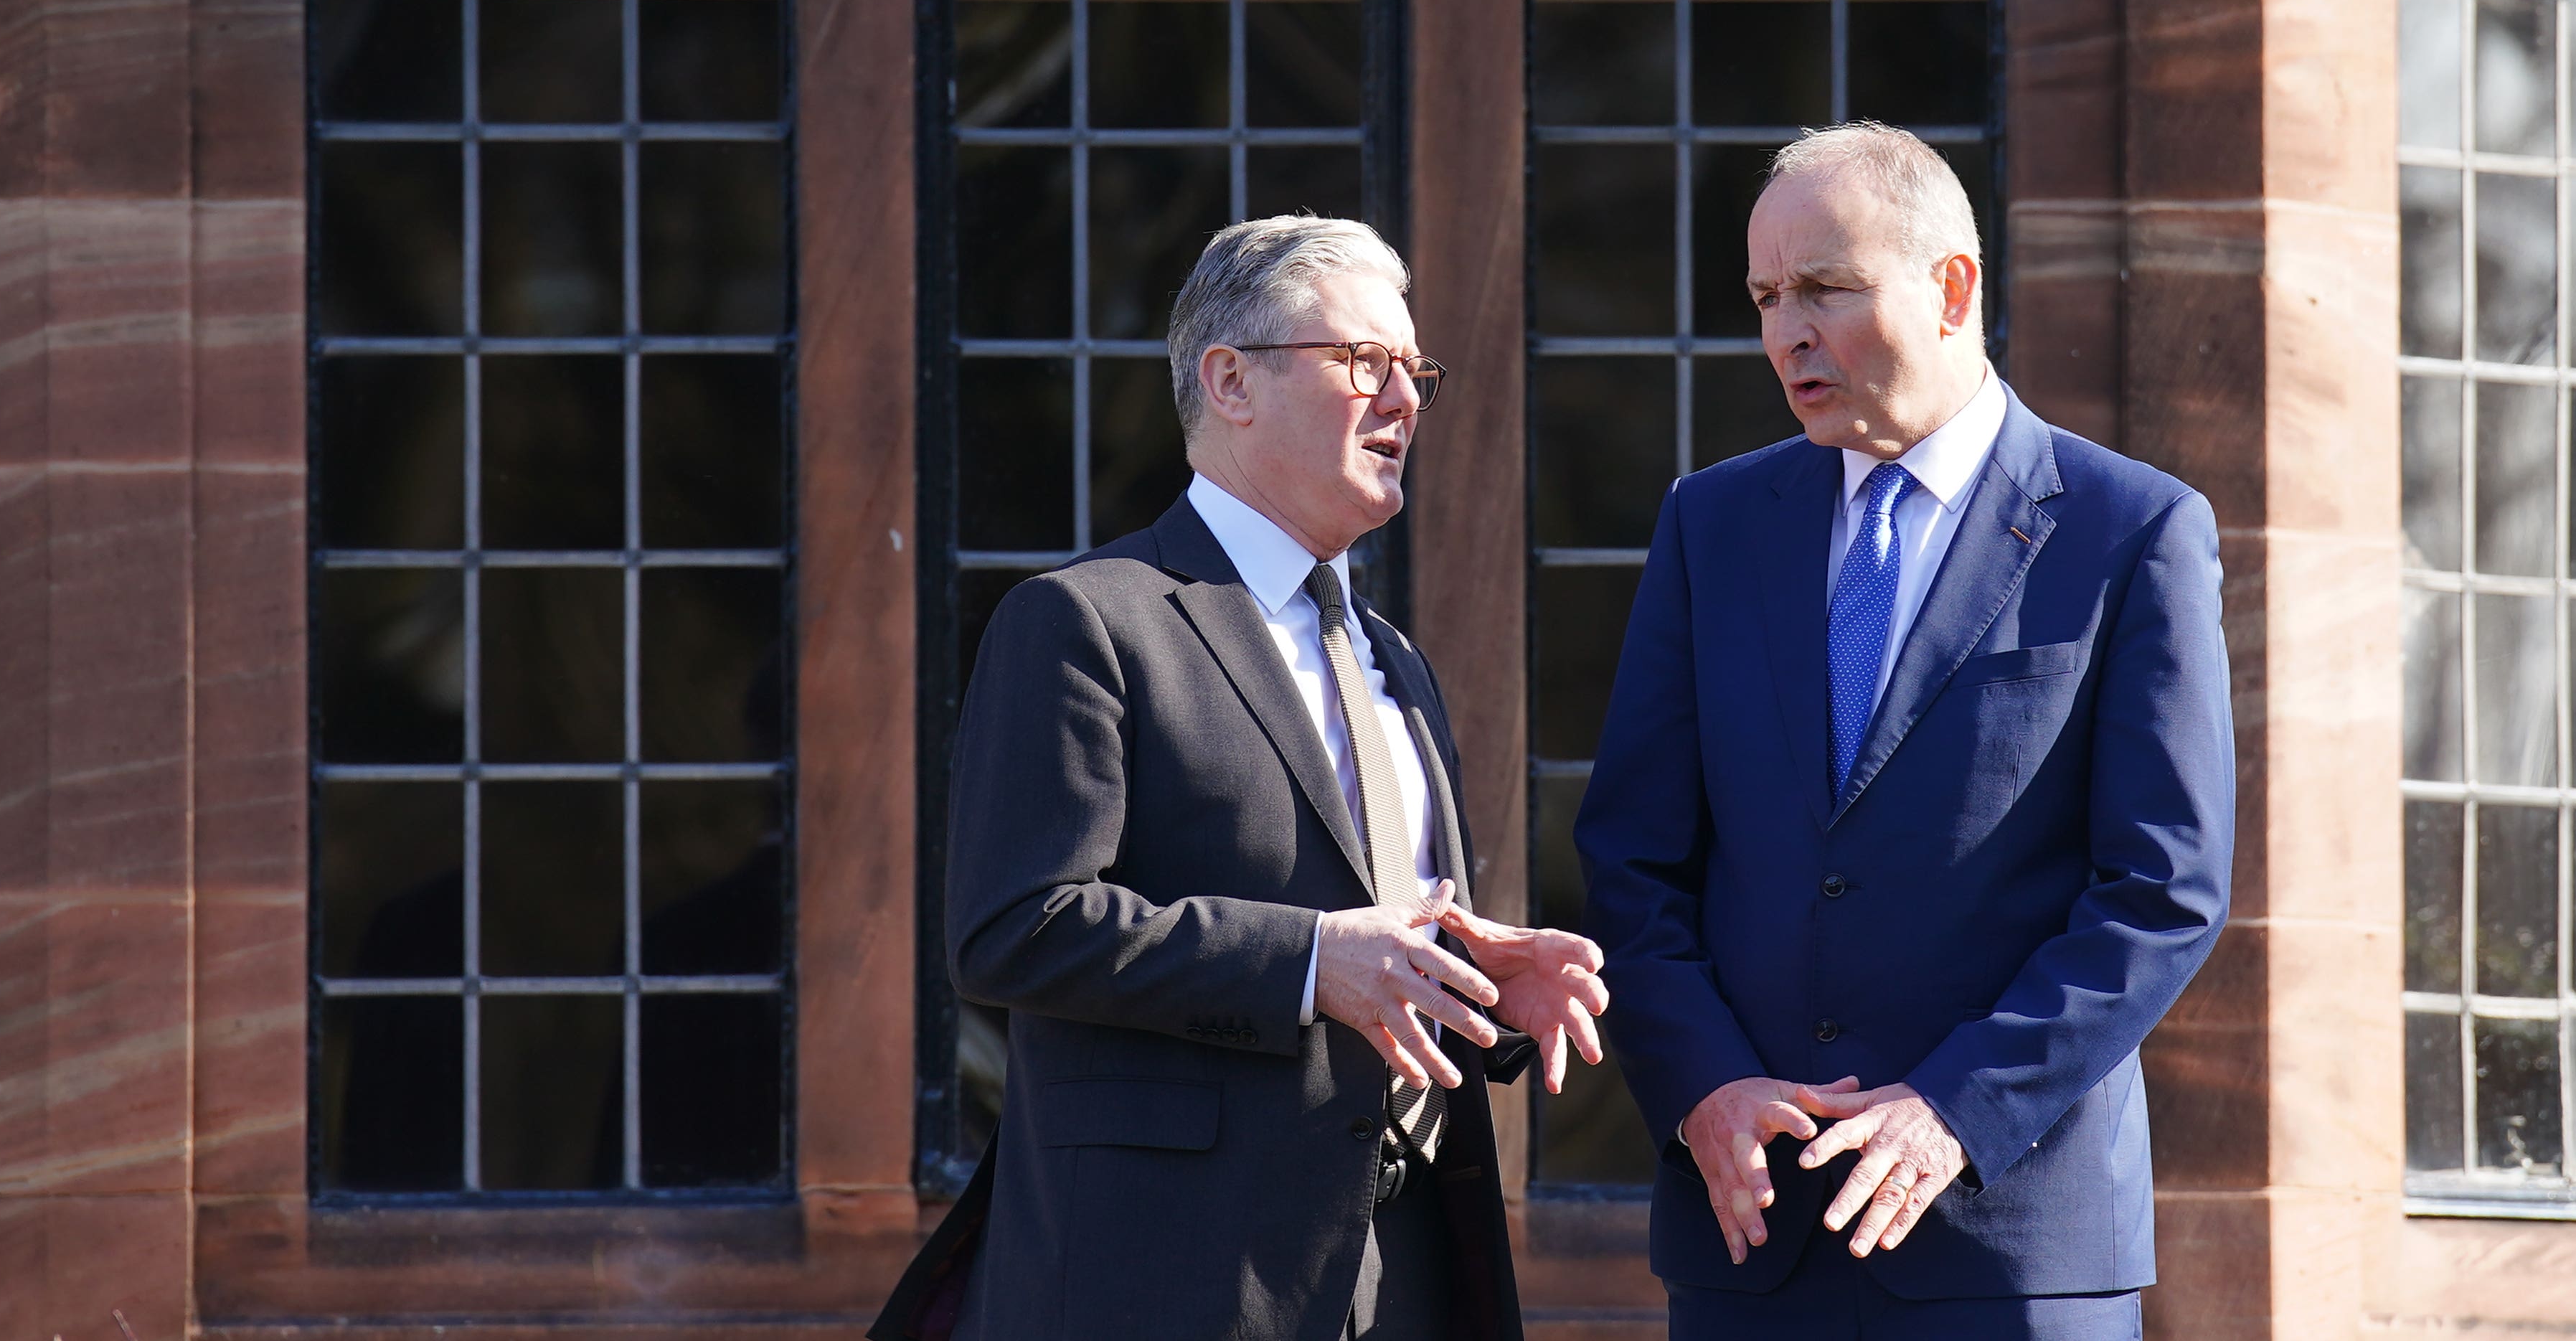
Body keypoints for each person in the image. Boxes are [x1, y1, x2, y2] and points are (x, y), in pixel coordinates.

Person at [874, 215, 1610, 1341]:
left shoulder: (1394, 661)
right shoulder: (1085, 622)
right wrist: (1313, 963)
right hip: (1174, 1279)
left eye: (1415, 371)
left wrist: (1473, 981)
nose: (1405, 399)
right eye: (1365, 362)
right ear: (1230, 381)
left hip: (1400, 1274)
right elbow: (1015, 926)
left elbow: (1379, 935)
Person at [1575, 124, 2235, 1340]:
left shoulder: (2130, 530)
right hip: (1751, 1236)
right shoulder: (1710, 525)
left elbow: (2162, 891)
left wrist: (1954, 1114)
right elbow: (1633, 862)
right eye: (1767, 296)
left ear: (1952, 288)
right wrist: (1702, 1088)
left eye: (1825, 288)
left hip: (2011, 1245)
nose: (1786, 332)